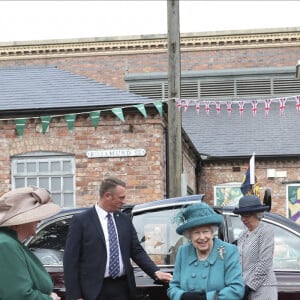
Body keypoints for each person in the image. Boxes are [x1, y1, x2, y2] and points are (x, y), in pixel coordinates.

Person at [63, 177, 173, 300]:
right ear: (108, 196)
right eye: (121, 198)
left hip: (123, 288)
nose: (124, 202)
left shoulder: (125, 219)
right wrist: (75, 296)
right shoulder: (81, 221)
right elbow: (70, 261)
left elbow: (136, 250)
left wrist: (155, 272)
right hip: (93, 291)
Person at [167, 202, 245, 300]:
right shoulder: (183, 252)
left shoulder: (228, 251)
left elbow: (236, 289)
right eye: (196, 233)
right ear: (189, 236)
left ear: (212, 232)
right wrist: (183, 296)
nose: (202, 237)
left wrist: (207, 298)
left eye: (205, 231)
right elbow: (173, 288)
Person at [0, 186, 62, 300]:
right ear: (21, 221)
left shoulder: (11, 242)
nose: (39, 220)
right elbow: (17, 296)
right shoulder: (5, 244)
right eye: (36, 216)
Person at [233, 195, 278, 300]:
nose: (243, 219)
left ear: (257, 215)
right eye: (242, 216)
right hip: (245, 288)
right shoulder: (242, 235)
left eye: (247, 216)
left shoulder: (266, 231)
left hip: (264, 288)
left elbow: (264, 263)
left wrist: (249, 287)